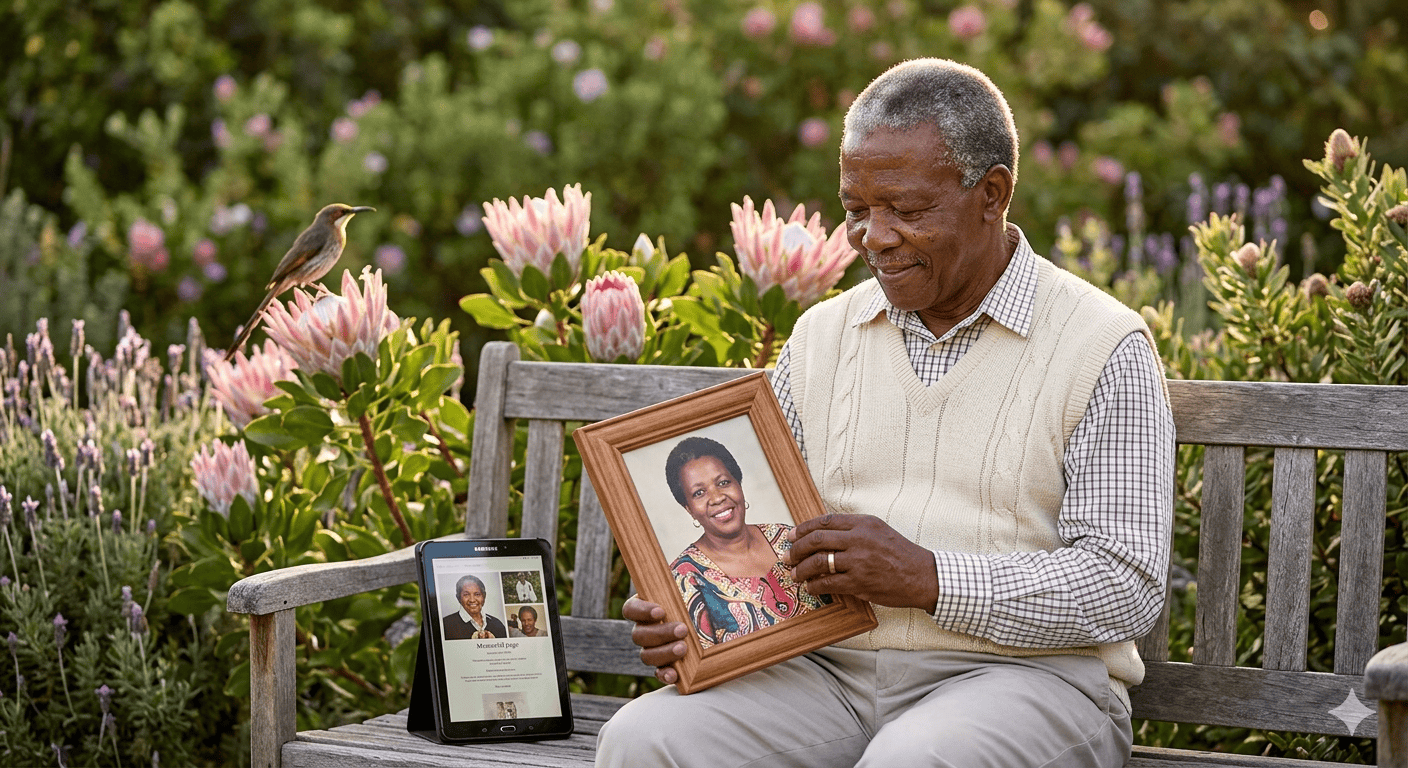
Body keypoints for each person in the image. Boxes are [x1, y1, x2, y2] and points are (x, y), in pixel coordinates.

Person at [596, 58, 1174, 768]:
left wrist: (930, 578)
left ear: (992, 193)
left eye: (906, 210)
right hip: (825, 676)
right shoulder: (821, 337)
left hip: (1029, 680)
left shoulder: (1102, 344)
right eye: (857, 210)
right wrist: (687, 617)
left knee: (912, 761)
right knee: (642, 739)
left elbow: (1126, 583)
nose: (873, 236)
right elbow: (765, 534)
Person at [663, 436, 829, 648]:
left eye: (723, 482)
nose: (716, 498)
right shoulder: (685, 578)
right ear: (689, 509)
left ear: (738, 484)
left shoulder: (787, 537)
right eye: (699, 493)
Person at [441, 574, 507, 640]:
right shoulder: (445, 625)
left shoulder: (497, 624)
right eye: (466, 595)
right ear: (458, 598)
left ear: (484, 597)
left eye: (477, 594)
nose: (472, 600)